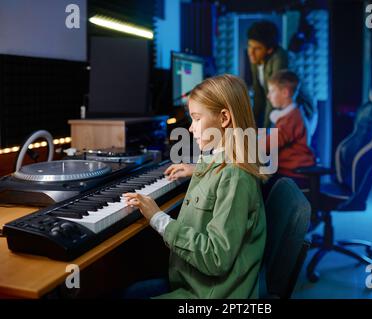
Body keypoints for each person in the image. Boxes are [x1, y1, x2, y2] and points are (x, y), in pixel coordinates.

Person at [122, 74, 267, 299]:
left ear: (224, 118)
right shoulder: (229, 162)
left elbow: (215, 259)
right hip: (195, 282)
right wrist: (195, 169)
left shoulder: (235, 177)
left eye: (197, 118)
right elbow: (220, 170)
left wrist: (158, 218)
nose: (190, 129)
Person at [261, 69, 316, 198]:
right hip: (288, 170)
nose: (268, 96)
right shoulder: (290, 115)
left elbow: (271, 143)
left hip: (294, 174)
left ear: (285, 92)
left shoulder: (291, 118)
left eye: (272, 91)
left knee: (258, 187)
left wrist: (245, 146)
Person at [247, 20, 289, 128]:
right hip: (277, 109)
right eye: (249, 46)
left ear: (269, 49)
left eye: (257, 48)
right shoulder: (256, 59)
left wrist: (265, 130)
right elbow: (259, 96)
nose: (251, 52)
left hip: (296, 114)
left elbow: (274, 100)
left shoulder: (280, 59)